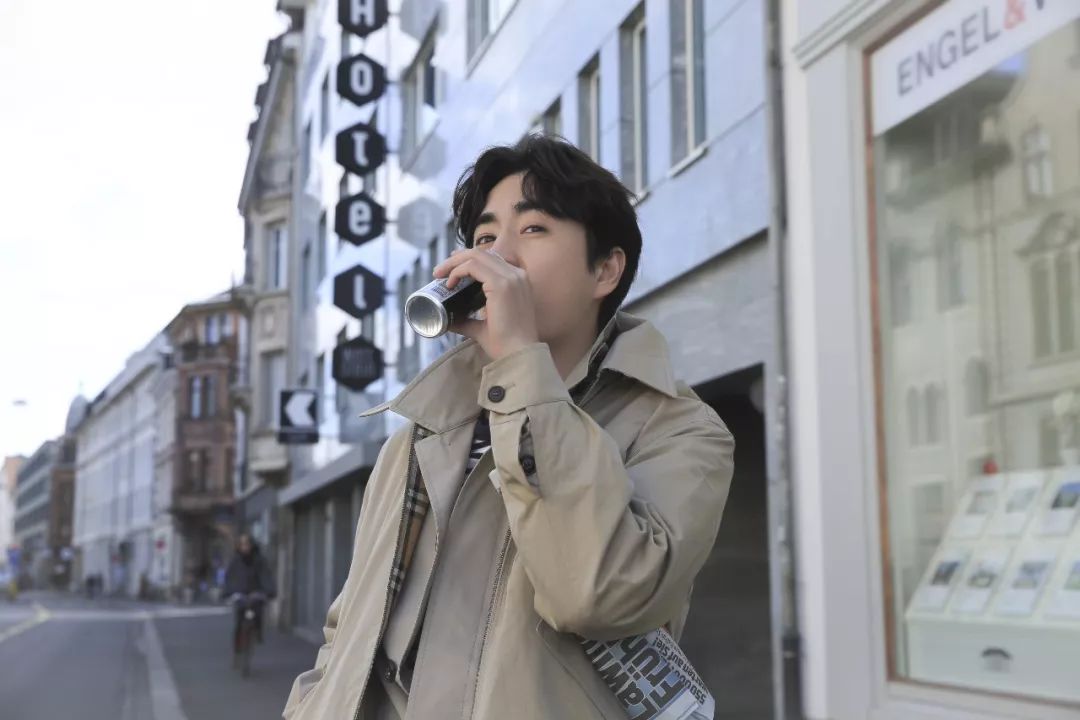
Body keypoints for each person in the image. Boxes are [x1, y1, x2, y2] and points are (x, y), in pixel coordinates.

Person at [283, 135, 735, 720]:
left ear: (605, 270)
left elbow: (599, 594)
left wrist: (522, 363)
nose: (500, 257)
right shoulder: (422, 434)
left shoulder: (680, 429)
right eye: (485, 238)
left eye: (534, 228)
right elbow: (349, 629)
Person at [224, 534, 276, 648]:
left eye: (246, 544)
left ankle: (257, 632)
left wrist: (268, 591)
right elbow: (230, 578)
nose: (244, 547)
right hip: (240, 594)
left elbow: (265, 576)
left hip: (255, 593)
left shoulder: (259, 560)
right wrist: (229, 592)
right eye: (242, 544)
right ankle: (238, 646)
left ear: (251, 545)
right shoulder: (235, 561)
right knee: (239, 619)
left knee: (257, 612)